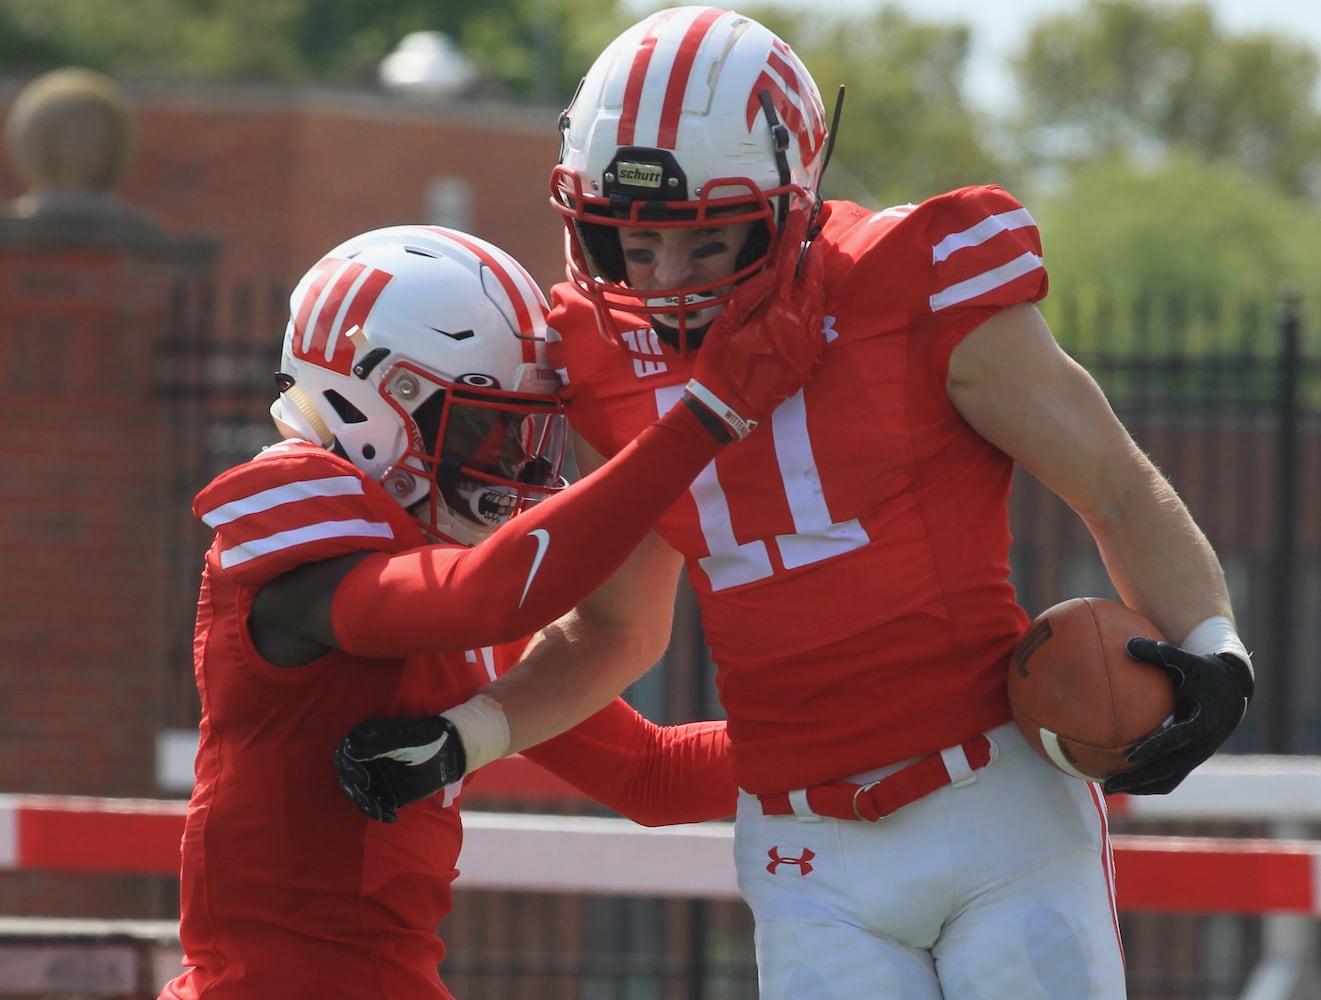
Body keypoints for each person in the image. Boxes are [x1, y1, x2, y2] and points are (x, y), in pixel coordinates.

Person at [334, 9, 1255, 999]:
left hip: (999, 807)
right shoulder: (594, 354)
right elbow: (616, 632)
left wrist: (1214, 649)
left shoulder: (912, 281)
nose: (665, 283)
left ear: (791, 199)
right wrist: (470, 734)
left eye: (706, 243)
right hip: (802, 851)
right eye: (631, 244)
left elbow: (1113, 486)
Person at [158, 220, 824, 999]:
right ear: (380, 396)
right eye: (488, 427)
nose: (516, 465)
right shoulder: (310, 530)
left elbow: (655, 775)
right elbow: (490, 596)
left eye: (527, 432)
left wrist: (877, 731)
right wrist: (702, 418)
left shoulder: (440, 589)